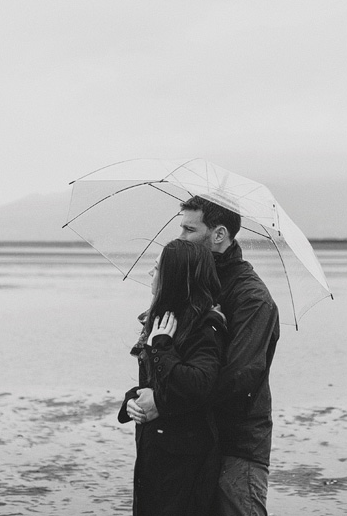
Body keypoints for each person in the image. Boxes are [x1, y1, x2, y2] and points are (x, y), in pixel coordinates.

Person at [135, 195, 280, 516]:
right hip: (194, 440)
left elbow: (239, 378)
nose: (180, 237)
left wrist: (163, 402)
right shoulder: (194, 282)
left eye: (189, 229)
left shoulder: (252, 297)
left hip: (237, 443)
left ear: (219, 234)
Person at [118, 238, 228, 516]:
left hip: (184, 464)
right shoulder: (163, 320)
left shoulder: (205, 326)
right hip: (155, 454)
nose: (149, 274)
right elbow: (155, 385)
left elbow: (197, 386)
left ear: (174, 277)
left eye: (156, 268)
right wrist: (132, 400)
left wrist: (163, 346)